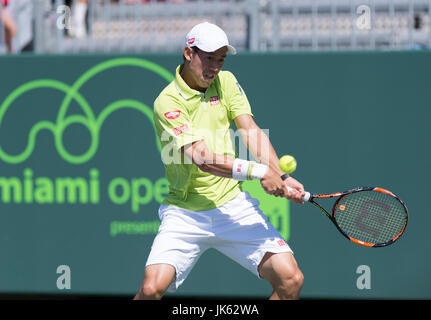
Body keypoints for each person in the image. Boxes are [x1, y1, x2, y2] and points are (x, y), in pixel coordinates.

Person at [134, 22, 306, 300]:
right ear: (189, 53)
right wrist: (260, 171)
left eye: (221, 59)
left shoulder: (225, 81)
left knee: (290, 279)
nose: (214, 67)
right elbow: (202, 159)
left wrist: (281, 176)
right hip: (185, 212)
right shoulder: (167, 101)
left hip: (232, 205)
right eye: (209, 58)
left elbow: (249, 129)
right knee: (151, 289)